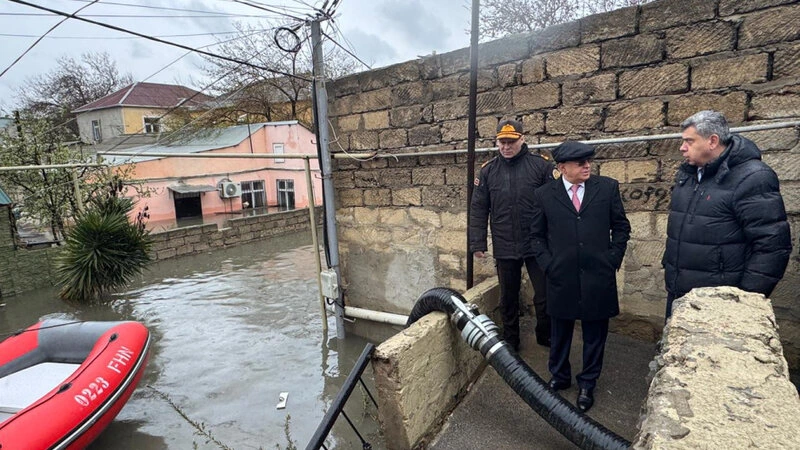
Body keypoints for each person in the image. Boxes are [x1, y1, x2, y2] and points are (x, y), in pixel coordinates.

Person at [529, 141, 630, 413]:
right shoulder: (544, 195)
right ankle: (560, 375)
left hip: (598, 275)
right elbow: (536, 236)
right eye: (580, 162)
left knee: (595, 333)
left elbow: (621, 228)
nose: (587, 166)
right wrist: (548, 265)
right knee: (559, 330)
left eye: (588, 161)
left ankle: (588, 382)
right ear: (562, 168)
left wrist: (612, 260)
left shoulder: (607, 188)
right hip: (561, 276)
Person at [662, 110, 792, 318]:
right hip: (680, 293)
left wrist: (744, 300)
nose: (682, 148)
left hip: (719, 302)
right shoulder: (688, 174)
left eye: (689, 141)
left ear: (712, 141)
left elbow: (772, 246)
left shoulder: (753, 177)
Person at [469, 119, 555, 351]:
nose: (506, 147)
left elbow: (555, 205)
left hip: (537, 243)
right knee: (508, 297)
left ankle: (545, 335)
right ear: (497, 142)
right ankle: (511, 340)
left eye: (511, 142)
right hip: (505, 242)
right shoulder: (488, 171)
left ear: (522, 139)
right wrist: (477, 242)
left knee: (545, 294)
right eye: (502, 142)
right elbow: (478, 208)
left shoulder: (541, 167)